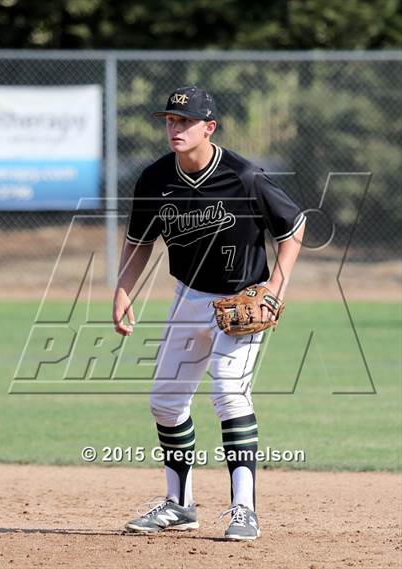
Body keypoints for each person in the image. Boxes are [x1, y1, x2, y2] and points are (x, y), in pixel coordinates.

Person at [113, 86, 306, 541]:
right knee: (164, 402)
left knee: (228, 393)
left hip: (242, 301)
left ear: (209, 127)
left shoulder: (245, 176)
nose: (175, 128)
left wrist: (275, 290)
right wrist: (123, 290)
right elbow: (140, 242)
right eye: (169, 120)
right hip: (187, 296)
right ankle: (180, 505)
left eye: (185, 121)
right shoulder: (155, 178)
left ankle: (244, 510)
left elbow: (294, 228)